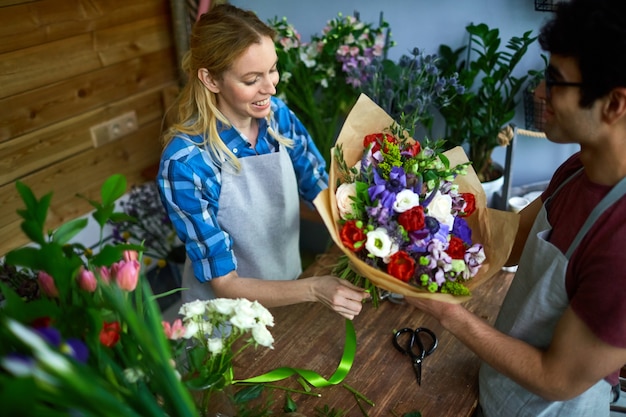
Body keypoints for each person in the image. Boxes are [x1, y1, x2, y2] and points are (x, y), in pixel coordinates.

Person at [405, 0, 626, 415]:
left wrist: (447, 313)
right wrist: (416, 221)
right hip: (498, 384)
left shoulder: (620, 243)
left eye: (555, 81)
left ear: (614, 104)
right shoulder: (580, 168)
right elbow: (508, 239)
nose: (540, 93)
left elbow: (556, 379)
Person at [157, 4, 367, 320]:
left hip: (287, 289)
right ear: (211, 80)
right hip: (226, 321)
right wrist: (313, 288)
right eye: (252, 78)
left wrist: (372, 240)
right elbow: (225, 285)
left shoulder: (278, 117)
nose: (271, 87)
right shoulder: (185, 164)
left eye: (272, 69)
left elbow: (321, 188)